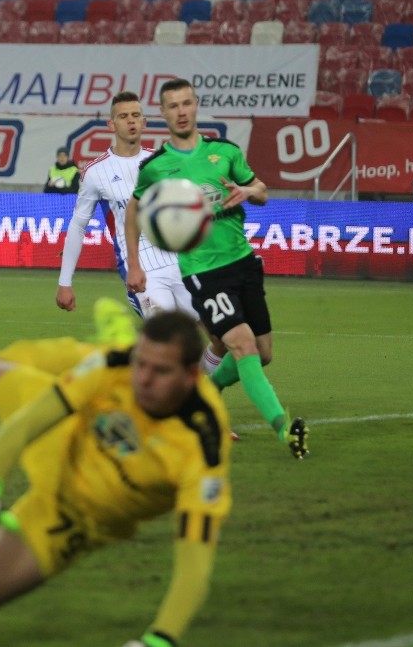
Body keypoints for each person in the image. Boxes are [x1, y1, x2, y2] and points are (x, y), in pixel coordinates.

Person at [0, 309, 233, 647]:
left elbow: (195, 556)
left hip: (75, 518)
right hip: (62, 440)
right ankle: (100, 345)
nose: (144, 380)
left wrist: (161, 639)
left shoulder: (203, 443)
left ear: (191, 374)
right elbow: (27, 423)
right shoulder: (118, 366)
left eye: (160, 371)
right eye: (141, 364)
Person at [124, 78, 309, 460]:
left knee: (263, 351)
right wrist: (135, 261)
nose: (181, 111)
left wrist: (248, 192)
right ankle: (284, 430)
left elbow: (262, 190)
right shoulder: (155, 167)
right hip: (203, 271)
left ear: (195, 106)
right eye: (173, 106)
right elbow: (133, 210)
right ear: (163, 113)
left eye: (186, 103)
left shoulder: (224, 152)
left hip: (243, 261)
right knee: (240, 344)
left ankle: (208, 390)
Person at [55, 91, 225, 374]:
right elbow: (78, 225)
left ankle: (199, 390)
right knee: (172, 345)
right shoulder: (96, 172)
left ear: (145, 122)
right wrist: (65, 281)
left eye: (135, 115)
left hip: (181, 263)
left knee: (222, 336)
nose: (130, 121)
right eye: (123, 116)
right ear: (112, 125)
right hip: (143, 271)